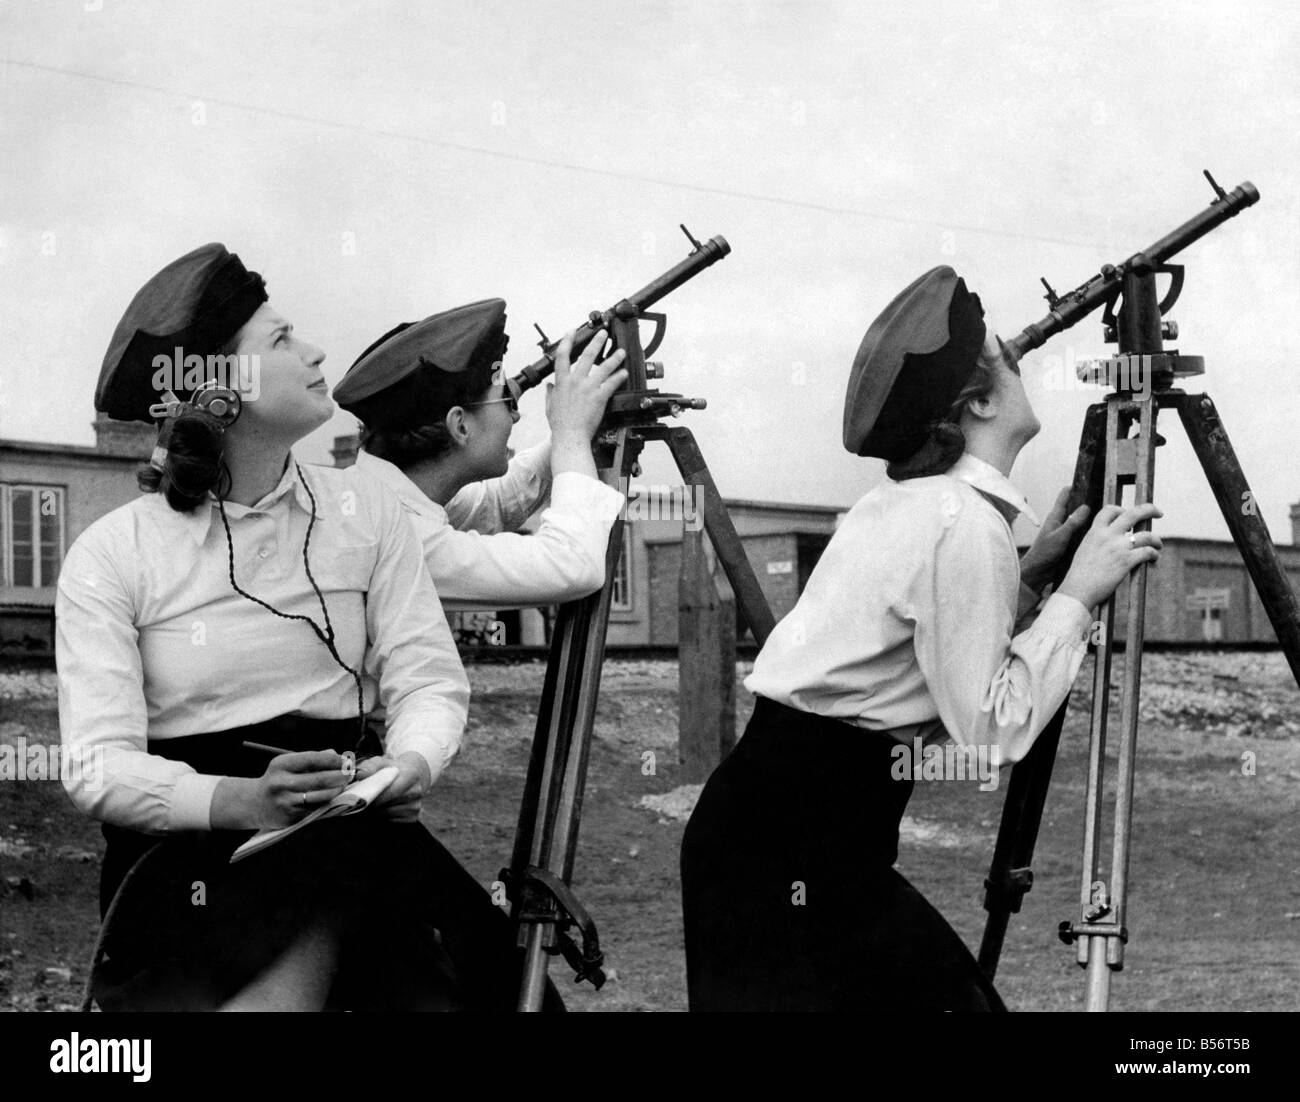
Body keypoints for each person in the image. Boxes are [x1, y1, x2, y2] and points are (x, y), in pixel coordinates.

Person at [57, 243, 548, 1011]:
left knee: (501, 990)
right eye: (281, 340)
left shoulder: (369, 511)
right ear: (219, 392)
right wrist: (243, 801)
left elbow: (427, 679)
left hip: (352, 824)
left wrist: (409, 765)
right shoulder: (113, 554)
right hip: (192, 857)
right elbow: (96, 766)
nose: (316, 351)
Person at [679, 265, 1163, 1012]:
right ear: (976, 403)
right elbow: (992, 729)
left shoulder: (916, 505)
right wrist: (1076, 594)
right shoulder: (964, 523)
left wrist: (1031, 579)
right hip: (798, 848)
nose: (1018, 356)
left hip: (767, 830)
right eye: (1001, 357)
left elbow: (920, 634)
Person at [331, 301, 627, 611]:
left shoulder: (380, 495)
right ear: (460, 426)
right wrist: (572, 438)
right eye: (505, 402)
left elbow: (494, 503)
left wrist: (574, 425)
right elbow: (571, 565)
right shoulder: (392, 535)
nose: (515, 418)